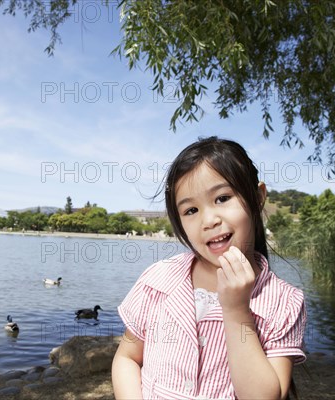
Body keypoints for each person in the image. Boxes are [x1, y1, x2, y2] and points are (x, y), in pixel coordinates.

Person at [112, 136, 306, 399]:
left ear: (257, 197)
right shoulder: (158, 281)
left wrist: (236, 309)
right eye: (191, 210)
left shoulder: (283, 302)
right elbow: (127, 357)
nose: (209, 220)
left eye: (222, 198)